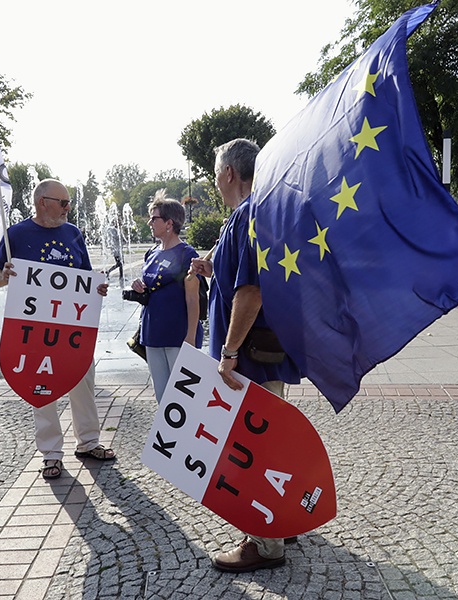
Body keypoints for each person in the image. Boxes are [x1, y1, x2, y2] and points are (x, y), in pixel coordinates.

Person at [190, 138, 302, 573]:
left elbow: (251, 292)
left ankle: (265, 544)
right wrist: (212, 265)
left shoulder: (245, 217)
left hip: (250, 357)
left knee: (255, 447)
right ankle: (284, 521)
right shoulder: (263, 214)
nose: (215, 179)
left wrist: (228, 352)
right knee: (272, 441)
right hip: (267, 352)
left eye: (216, 171)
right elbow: (248, 273)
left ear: (229, 174)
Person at [0, 179, 116, 480]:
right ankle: (51, 454)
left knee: (82, 379)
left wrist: (97, 288)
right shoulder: (15, 234)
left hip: (72, 327)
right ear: (42, 201)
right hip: (33, 328)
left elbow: (85, 275)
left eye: (69, 202)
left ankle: (88, 442)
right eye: (63, 202)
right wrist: (3, 276)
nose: (69, 208)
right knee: (40, 386)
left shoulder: (73, 233)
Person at [130, 191, 203, 401]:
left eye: (154, 218)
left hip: (178, 335)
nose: (149, 222)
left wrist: (190, 337)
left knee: (183, 399)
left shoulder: (186, 254)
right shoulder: (151, 252)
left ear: (169, 223)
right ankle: (168, 435)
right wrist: (139, 286)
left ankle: (186, 435)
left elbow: (192, 298)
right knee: (162, 397)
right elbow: (151, 287)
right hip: (152, 333)